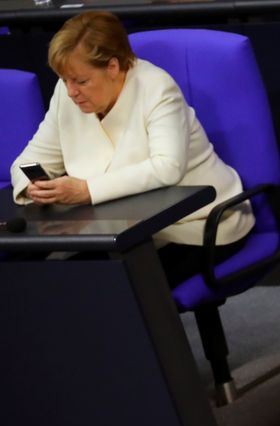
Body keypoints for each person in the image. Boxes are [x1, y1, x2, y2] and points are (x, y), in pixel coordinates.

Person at [9, 10, 255, 287]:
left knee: (102, 287)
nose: (70, 91)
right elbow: (29, 159)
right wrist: (31, 186)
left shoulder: (157, 88)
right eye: (65, 80)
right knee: (45, 279)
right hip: (123, 227)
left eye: (80, 81)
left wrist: (86, 190)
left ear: (113, 67)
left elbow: (167, 168)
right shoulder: (67, 93)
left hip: (195, 224)